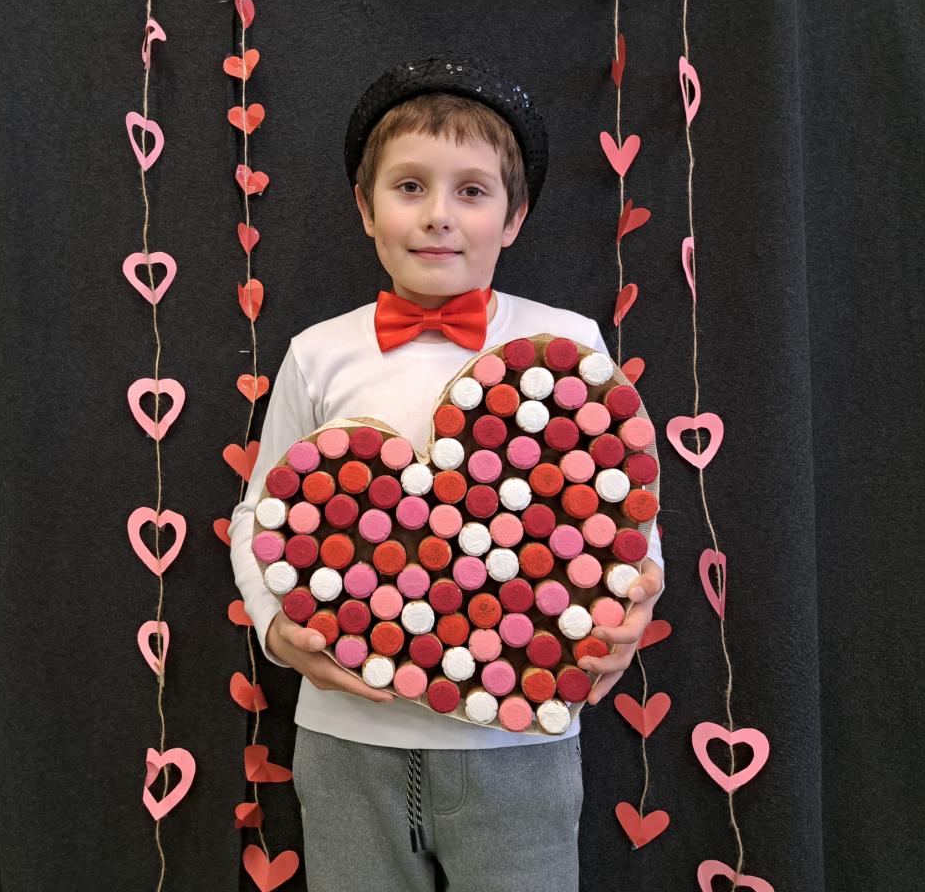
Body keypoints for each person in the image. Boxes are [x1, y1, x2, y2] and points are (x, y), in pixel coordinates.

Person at [228, 51, 666, 891]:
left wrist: (635, 603)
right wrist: (277, 632)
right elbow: (260, 513)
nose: (438, 216)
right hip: (347, 738)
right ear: (366, 208)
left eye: (471, 191)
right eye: (410, 187)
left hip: (521, 739)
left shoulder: (567, 344)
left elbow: (626, 506)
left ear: (514, 216)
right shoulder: (318, 353)